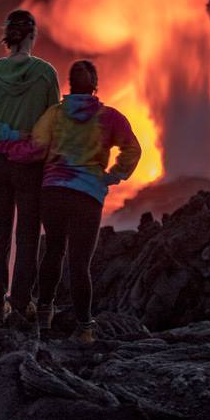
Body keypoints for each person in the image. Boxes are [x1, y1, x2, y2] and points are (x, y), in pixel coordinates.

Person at [29, 59, 141, 344]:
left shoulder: (54, 115)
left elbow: (36, 146)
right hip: (87, 195)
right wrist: (112, 177)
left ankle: (44, 313)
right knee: (80, 262)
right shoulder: (110, 117)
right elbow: (132, 150)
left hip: (53, 192)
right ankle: (84, 328)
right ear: (95, 86)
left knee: (53, 250)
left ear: (69, 85)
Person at [0, 9, 60, 326]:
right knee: (26, 236)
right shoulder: (45, 74)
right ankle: (21, 303)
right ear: (32, 35)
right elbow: (54, 120)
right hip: (30, 165)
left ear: (7, 36)